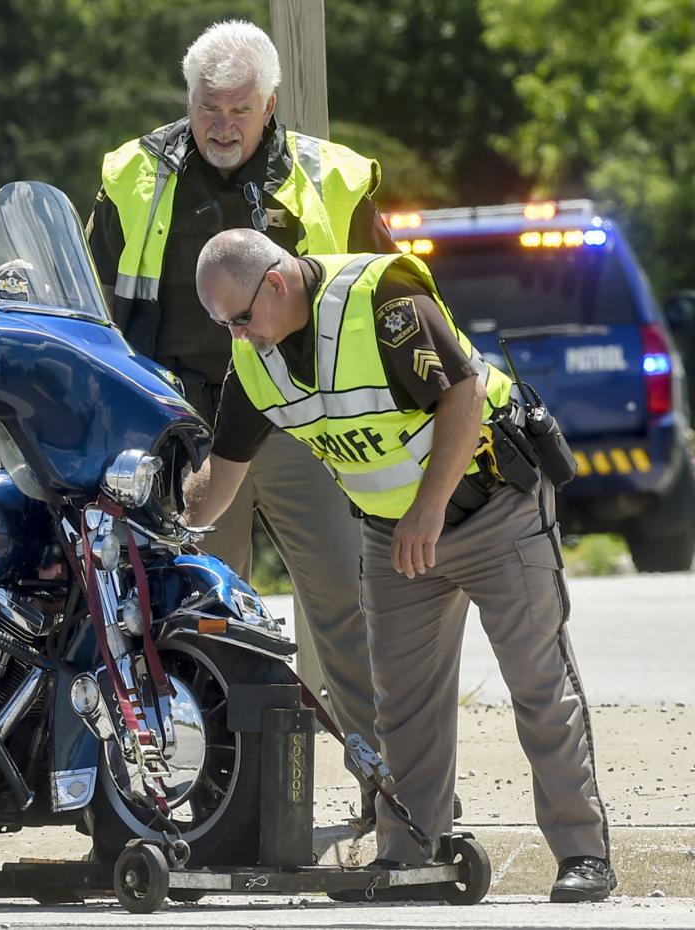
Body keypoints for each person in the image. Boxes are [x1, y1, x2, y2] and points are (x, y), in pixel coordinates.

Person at [185, 227, 615, 904]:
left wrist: (430, 508)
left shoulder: (380, 300)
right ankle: (413, 857)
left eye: (241, 319)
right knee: (403, 709)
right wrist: (157, 497)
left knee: (537, 681)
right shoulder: (255, 364)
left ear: (275, 283)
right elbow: (217, 485)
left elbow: (465, 395)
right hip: (394, 537)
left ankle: (583, 852)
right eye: (222, 325)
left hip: (489, 503)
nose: (238, 337)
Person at [87, 18, 398, 825]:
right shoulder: (131, 174)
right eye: (206, 106)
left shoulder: (334, 176)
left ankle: (390, 789)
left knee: (340, 604)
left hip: (304, 424)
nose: (221, 124)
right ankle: (213, 802)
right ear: (188, 98)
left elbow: (389, 294)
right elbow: (88, 302)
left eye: (238, 109)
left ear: (270, 105)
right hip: (182, 426)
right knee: (197, 615)